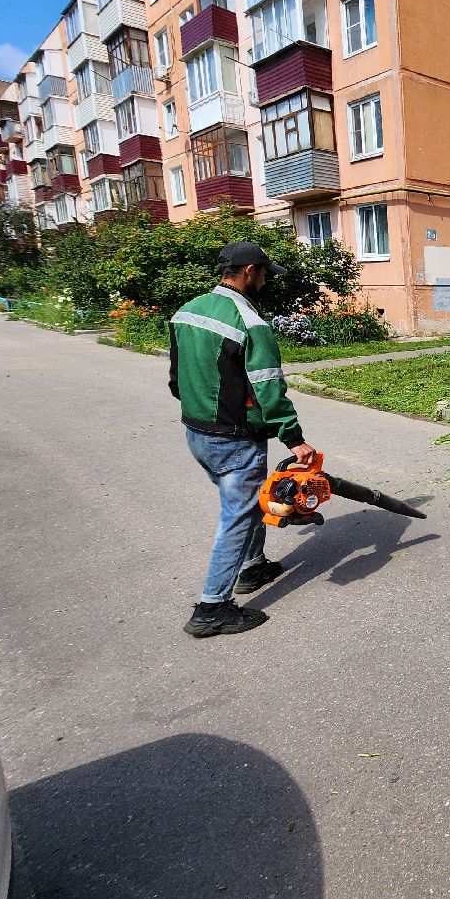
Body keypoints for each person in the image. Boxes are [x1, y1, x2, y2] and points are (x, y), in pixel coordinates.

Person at [170, 242, 316, 638]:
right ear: (250, 271)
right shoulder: (251, 323)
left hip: (197, 432)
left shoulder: (188, 311)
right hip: (234, 439)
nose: (266, 281)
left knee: (247, 506)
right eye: (265, 274)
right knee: (237, 517)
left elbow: (176, 378)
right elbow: (269, 389)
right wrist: (294, 439)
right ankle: (211, 609)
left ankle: (253, 567)